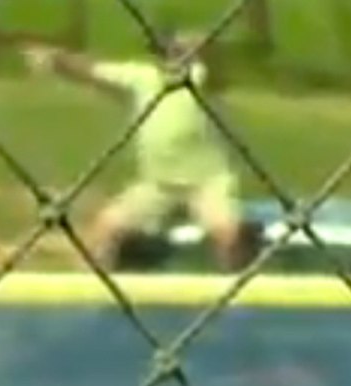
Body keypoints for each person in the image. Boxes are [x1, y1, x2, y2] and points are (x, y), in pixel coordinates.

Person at [22, 31, 247, 272]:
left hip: (207, 181)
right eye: (171, 52)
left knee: (227, 234)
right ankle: (95, 282)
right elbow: (93, 70)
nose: (174, 57)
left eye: (181, 52)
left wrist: (205, 49)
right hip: (158, 182)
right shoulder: (143, 77)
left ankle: (237, 287)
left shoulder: (201, 79)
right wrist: (57, 60)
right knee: (106, 228)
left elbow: (218, 75)